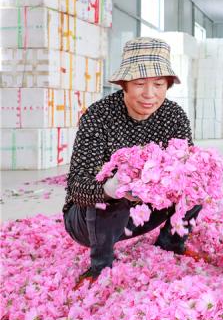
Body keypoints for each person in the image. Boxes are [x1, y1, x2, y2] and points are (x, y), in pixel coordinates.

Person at [63, 37, 205, 289]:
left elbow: (185, 164)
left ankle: (171, 244)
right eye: (140, 84)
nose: (149, 94)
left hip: (145, 209)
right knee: (112, 198)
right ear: (124, 85)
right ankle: (100, 267)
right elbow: (76, 186)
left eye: (159, 84)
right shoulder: (98, 117)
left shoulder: (173, 116)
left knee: (196, 183)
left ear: (168, 85)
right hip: (89, 220)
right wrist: (109, 188)